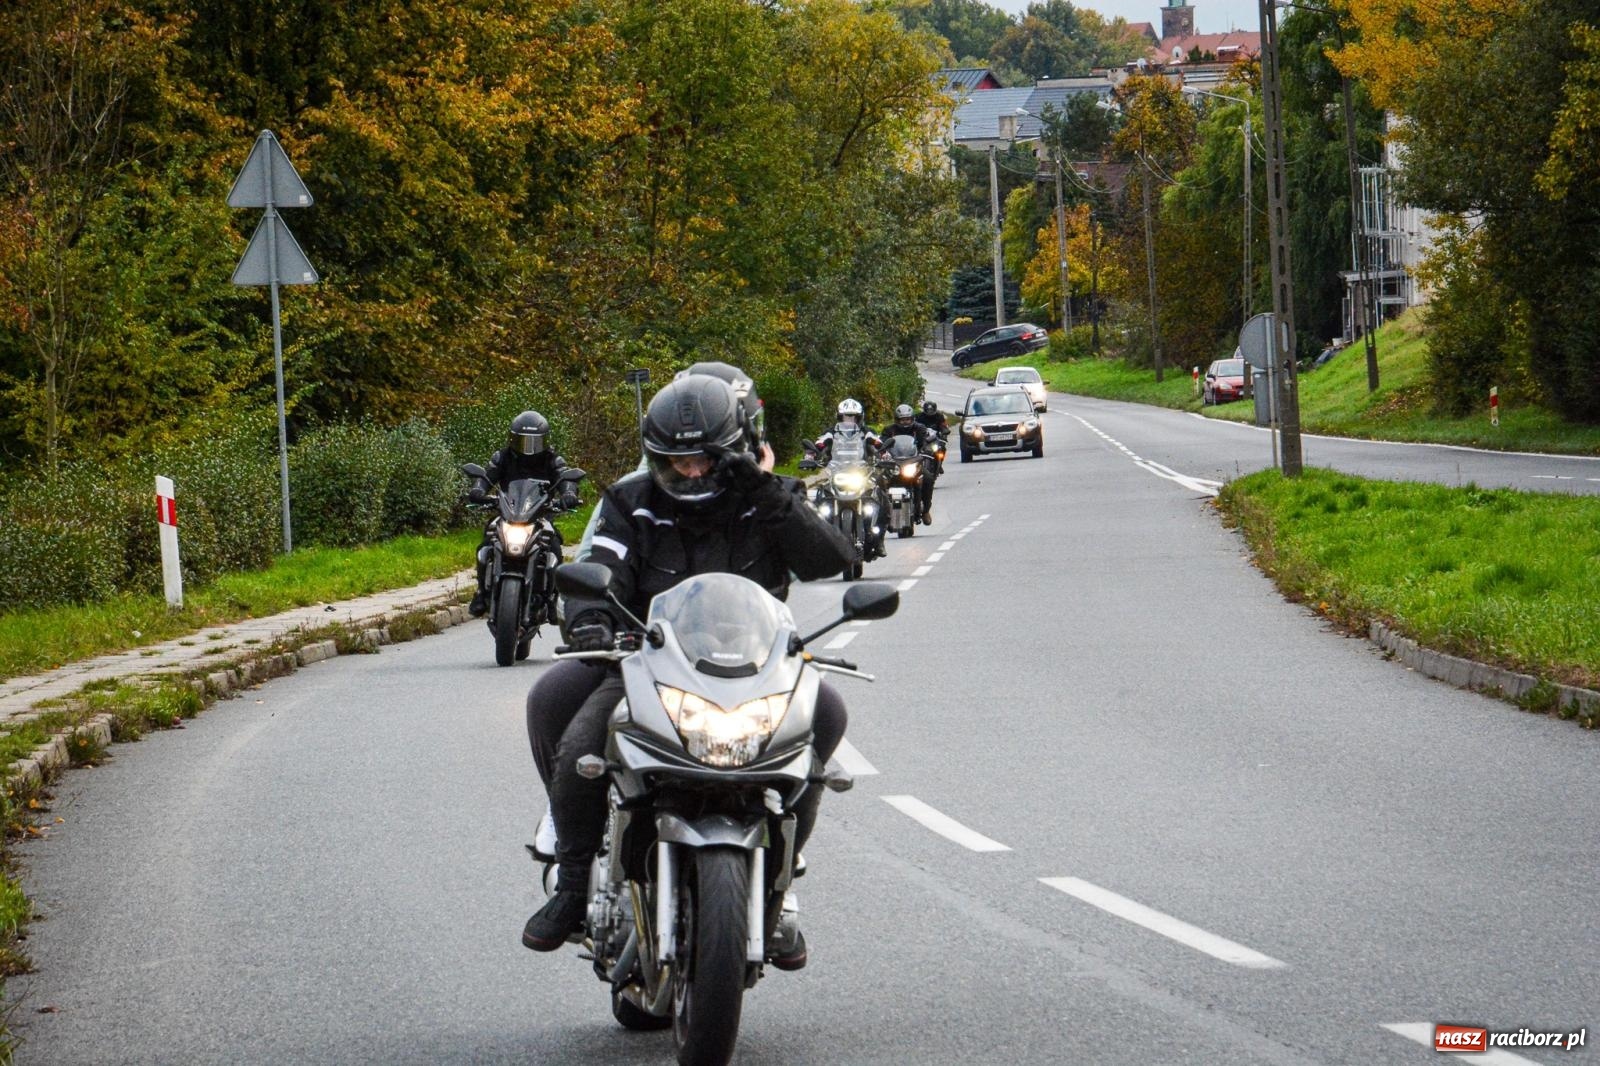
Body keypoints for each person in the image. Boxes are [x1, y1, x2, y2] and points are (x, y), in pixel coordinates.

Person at [522, 374, 855, 971]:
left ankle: (775, 894)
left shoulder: (768, 498)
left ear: (737, 447)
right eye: (676, 461)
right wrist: (592, 624)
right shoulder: (630, 501)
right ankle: (573, 885)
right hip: (645, 663)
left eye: (705, 459)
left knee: (827, 714)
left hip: (758, 673)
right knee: (571, 732)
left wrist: (768, 493)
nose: (692, 473)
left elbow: (829, 558)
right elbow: (597, 565)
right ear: (656, 456)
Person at [468, 411, 579, 618]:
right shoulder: (502, 457)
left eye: (534, 443)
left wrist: (569, 493)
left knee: (554, 546)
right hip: (508, 513)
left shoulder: (552, 459)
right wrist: (478, 490)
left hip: (540, 516)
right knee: (485, 545)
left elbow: (565, 477)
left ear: (544, 441)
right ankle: (481, 592)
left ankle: (553, 597)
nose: (529, 449)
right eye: (523, 442)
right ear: (513, 439)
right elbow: (487, 475)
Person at [879, 404, 938, 523]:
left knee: (928, 479)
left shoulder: (919, 428)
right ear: (897, 420)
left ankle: (925, 510)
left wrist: (927, 449)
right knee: (879, 481)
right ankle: (882, 513)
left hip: (913, 462)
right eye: (902, 419)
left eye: (908, 419)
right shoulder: (889, 430)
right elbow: (882, 443)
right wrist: (882, 451)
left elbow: (926, 441)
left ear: (912, 419)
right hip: (894, 463)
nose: (905, 422)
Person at [810, 398, 881, 462]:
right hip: (835, 468)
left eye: (854, 418)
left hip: (864, 469)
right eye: (846, 417)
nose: (849, 421)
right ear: (839, 418)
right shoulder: (831, 431)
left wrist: (883, 454)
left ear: (860, 418)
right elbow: (822, 440)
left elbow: (876, 441)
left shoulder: (867, 431)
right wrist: (811, 455)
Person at [915, 401, 949, 474]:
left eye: (931, 410)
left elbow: (943, 426)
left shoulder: (939, 416)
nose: (929, 412)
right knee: (916, 450)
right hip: (922, 439)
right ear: (924, 409)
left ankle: (939, 464)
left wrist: (944, 432)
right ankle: (917, 466)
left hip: (935, 439)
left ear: (935, 409)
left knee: (942, 449)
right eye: (928, 410)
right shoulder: (918, 417)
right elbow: (914, 427)